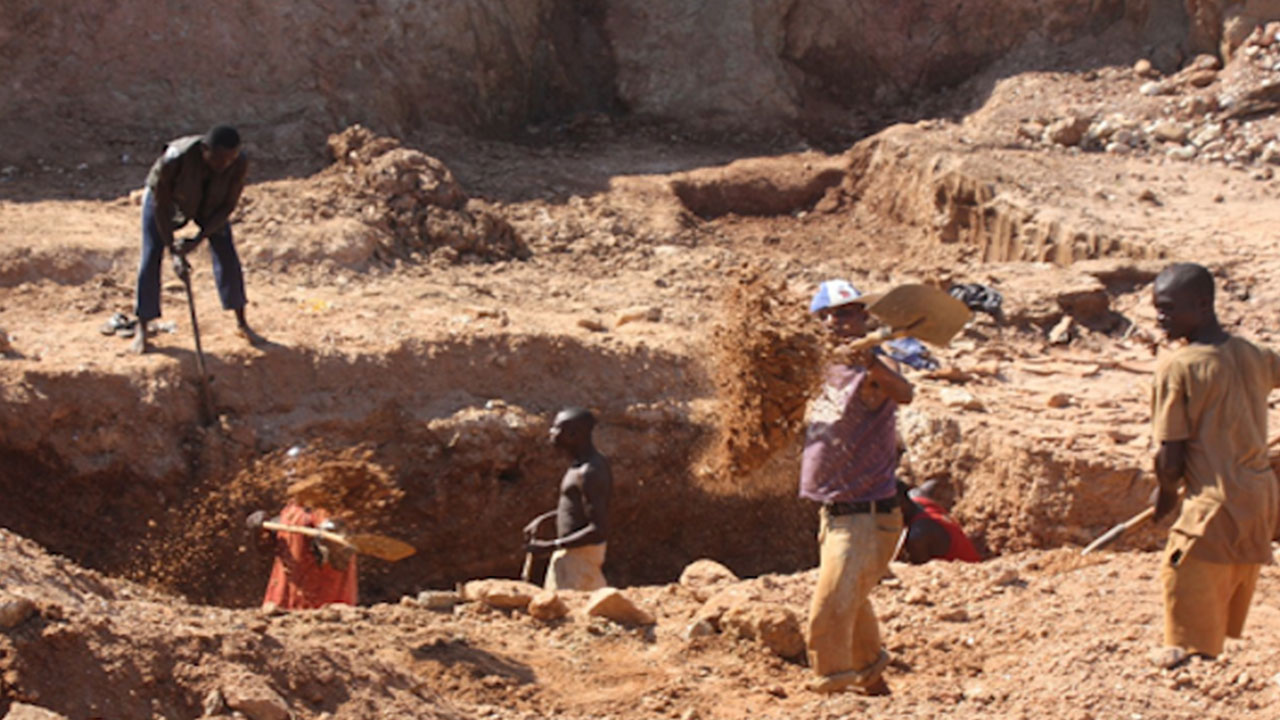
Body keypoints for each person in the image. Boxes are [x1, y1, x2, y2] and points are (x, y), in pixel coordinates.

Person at [1148, 262, 1280, 668]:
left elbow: (1171, 454)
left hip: (1213, 507)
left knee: (1182, 580)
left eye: (1169, 309)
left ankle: (1196, 668)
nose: (1160, 318)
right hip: (1259, 501)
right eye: (1157, 308)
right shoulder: (1253, 354)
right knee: (1224, 584)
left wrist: (1166, 493)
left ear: (1203, 305)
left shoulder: (1180, 367)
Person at [800, 279, 914, 696]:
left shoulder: (874, 369)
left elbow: (905, 393)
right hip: (833, 510)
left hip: (866, 515)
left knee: (830, 607)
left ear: (864, 318)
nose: (837, 322)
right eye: (827, 316)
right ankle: (872, 679)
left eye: (847, 313)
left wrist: (871, 363)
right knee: (853, 599)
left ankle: (830, 690)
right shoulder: (820, 369)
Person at [133, 124, 257, 354]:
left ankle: (241, 321)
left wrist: (198, 239)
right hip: (166, 202)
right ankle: (143, 325)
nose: (224, 165)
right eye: (219, 159)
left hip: (209, 204)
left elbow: (227, 206)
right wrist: (173, 251)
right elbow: (160, 206)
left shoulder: (238, 162)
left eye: (230, 160)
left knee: (227, 253)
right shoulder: (175, 159)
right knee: (151, 254)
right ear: (204, 150)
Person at [523, 407, 613, 591]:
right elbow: (579, 509)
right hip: (569, 556)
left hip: (579, 560)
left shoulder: (590, 471)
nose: (551, 432)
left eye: (557, 428)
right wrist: (546, 518)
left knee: (575, 607)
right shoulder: (580, 466)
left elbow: (598, 529)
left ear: (573, 435)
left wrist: (551, 546)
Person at [247, 500, 357, 610]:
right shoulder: (293, 510)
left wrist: (332, 541)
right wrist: (262, 532)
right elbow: (268, 549)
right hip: (282, 604)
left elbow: (340, 561)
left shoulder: (331, 512)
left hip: (325, 605)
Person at [895, 480, 981, 564]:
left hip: (966, 570)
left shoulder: (918, 536)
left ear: (900, 503)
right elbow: (929, 485)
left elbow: (920, 570)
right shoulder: (917, 498)